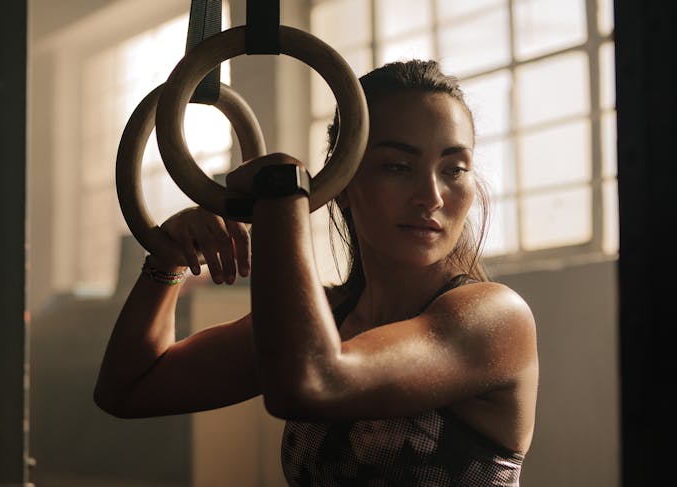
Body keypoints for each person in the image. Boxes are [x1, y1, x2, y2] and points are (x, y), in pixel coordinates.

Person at [94, 59, 539, 486]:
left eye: (453, 169)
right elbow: (128, 389)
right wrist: (168, 260)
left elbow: (312, 384)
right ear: (342, 184)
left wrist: (282, 195)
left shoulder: (495, 317)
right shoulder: (321, 321)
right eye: (398, 166)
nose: (431, 196)